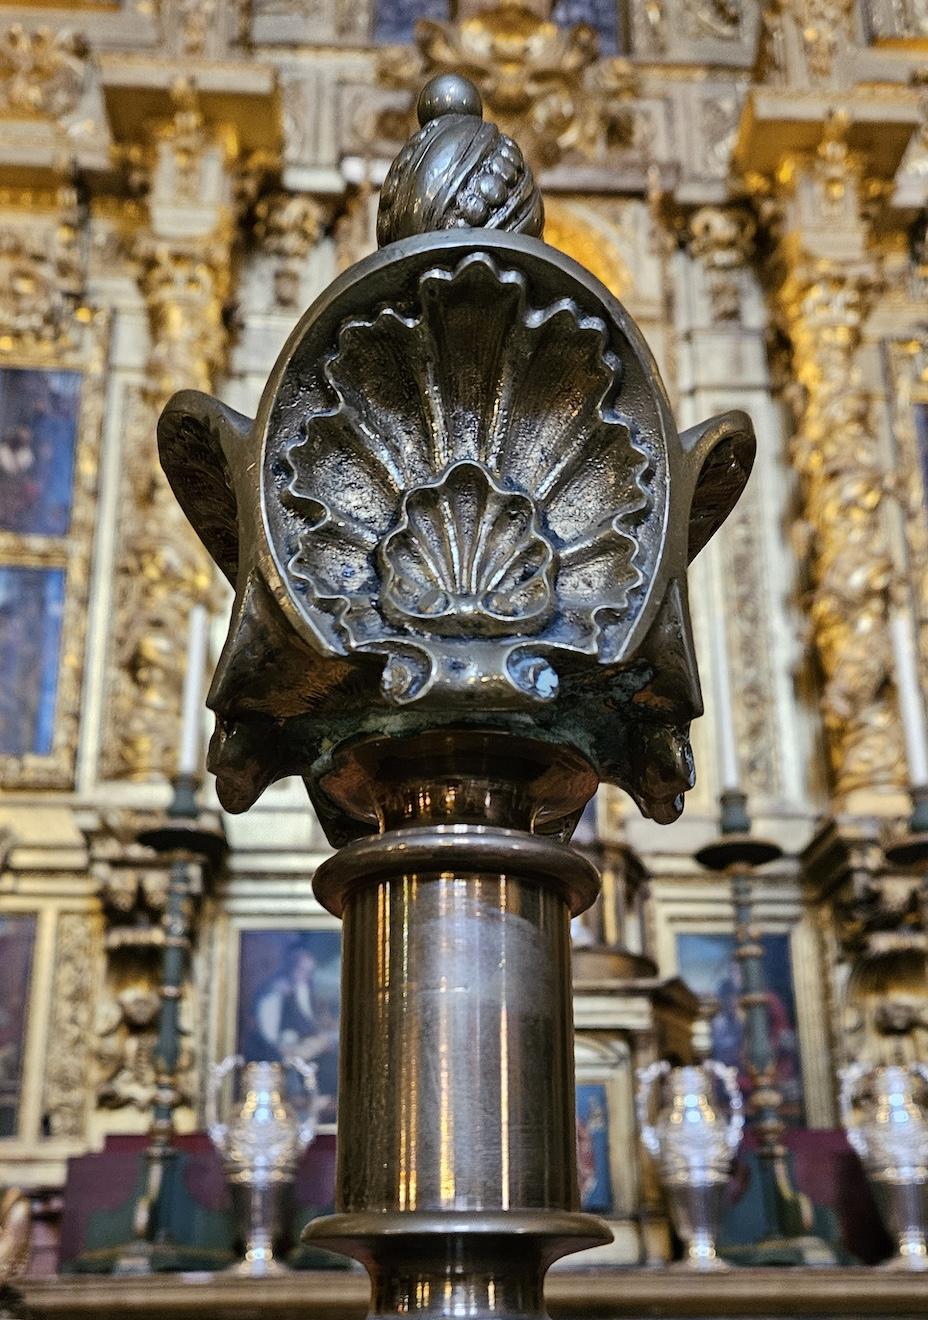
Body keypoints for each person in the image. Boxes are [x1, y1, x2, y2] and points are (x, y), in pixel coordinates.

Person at [247, 940, 339, 1119]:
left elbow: (314, 1022)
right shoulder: (274, 994)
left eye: (308, 971)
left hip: (310, 1055)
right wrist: (297, 1048)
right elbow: (270, 1039)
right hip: (282, 1055)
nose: (305, 975)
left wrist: (320, 1040)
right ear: (290, 966)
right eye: (301, 970)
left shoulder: (307, 990)